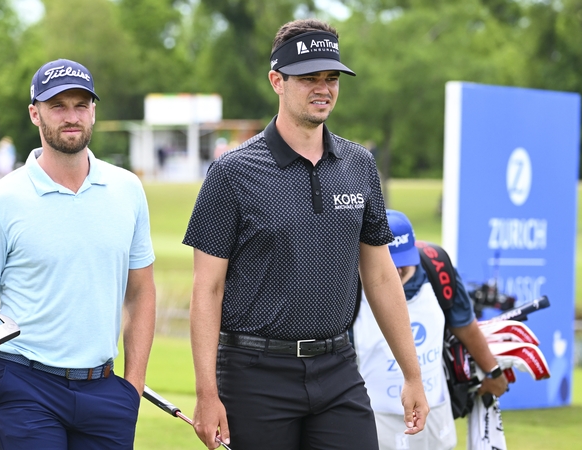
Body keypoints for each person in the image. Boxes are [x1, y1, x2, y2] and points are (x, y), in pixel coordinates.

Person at [182, 18, 429, 450]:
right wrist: (207, 393)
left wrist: (412, 374)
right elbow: (208, 288)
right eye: (309, 78)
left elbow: (381, 275)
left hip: (337, 368)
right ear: (277, 80)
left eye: (331, 77)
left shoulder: (358, 165)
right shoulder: (232, 172)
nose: (324, 88)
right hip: (254, 373)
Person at [0, 58, 156, 450]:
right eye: (57, 106)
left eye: (81, 105)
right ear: (34, 113)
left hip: (105, 388)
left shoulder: (128, 189)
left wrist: (134, 383)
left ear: (94, 110)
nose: (71, 116)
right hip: (26, 385)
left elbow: (141, 291)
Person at [353, 210, 509, 450]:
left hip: (435, 414)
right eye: (388, 264)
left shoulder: (437, 269)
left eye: (402, 263)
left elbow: (466, 327)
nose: (395, 272)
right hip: (376, 418)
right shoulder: (349, 283)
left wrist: (494, 373)